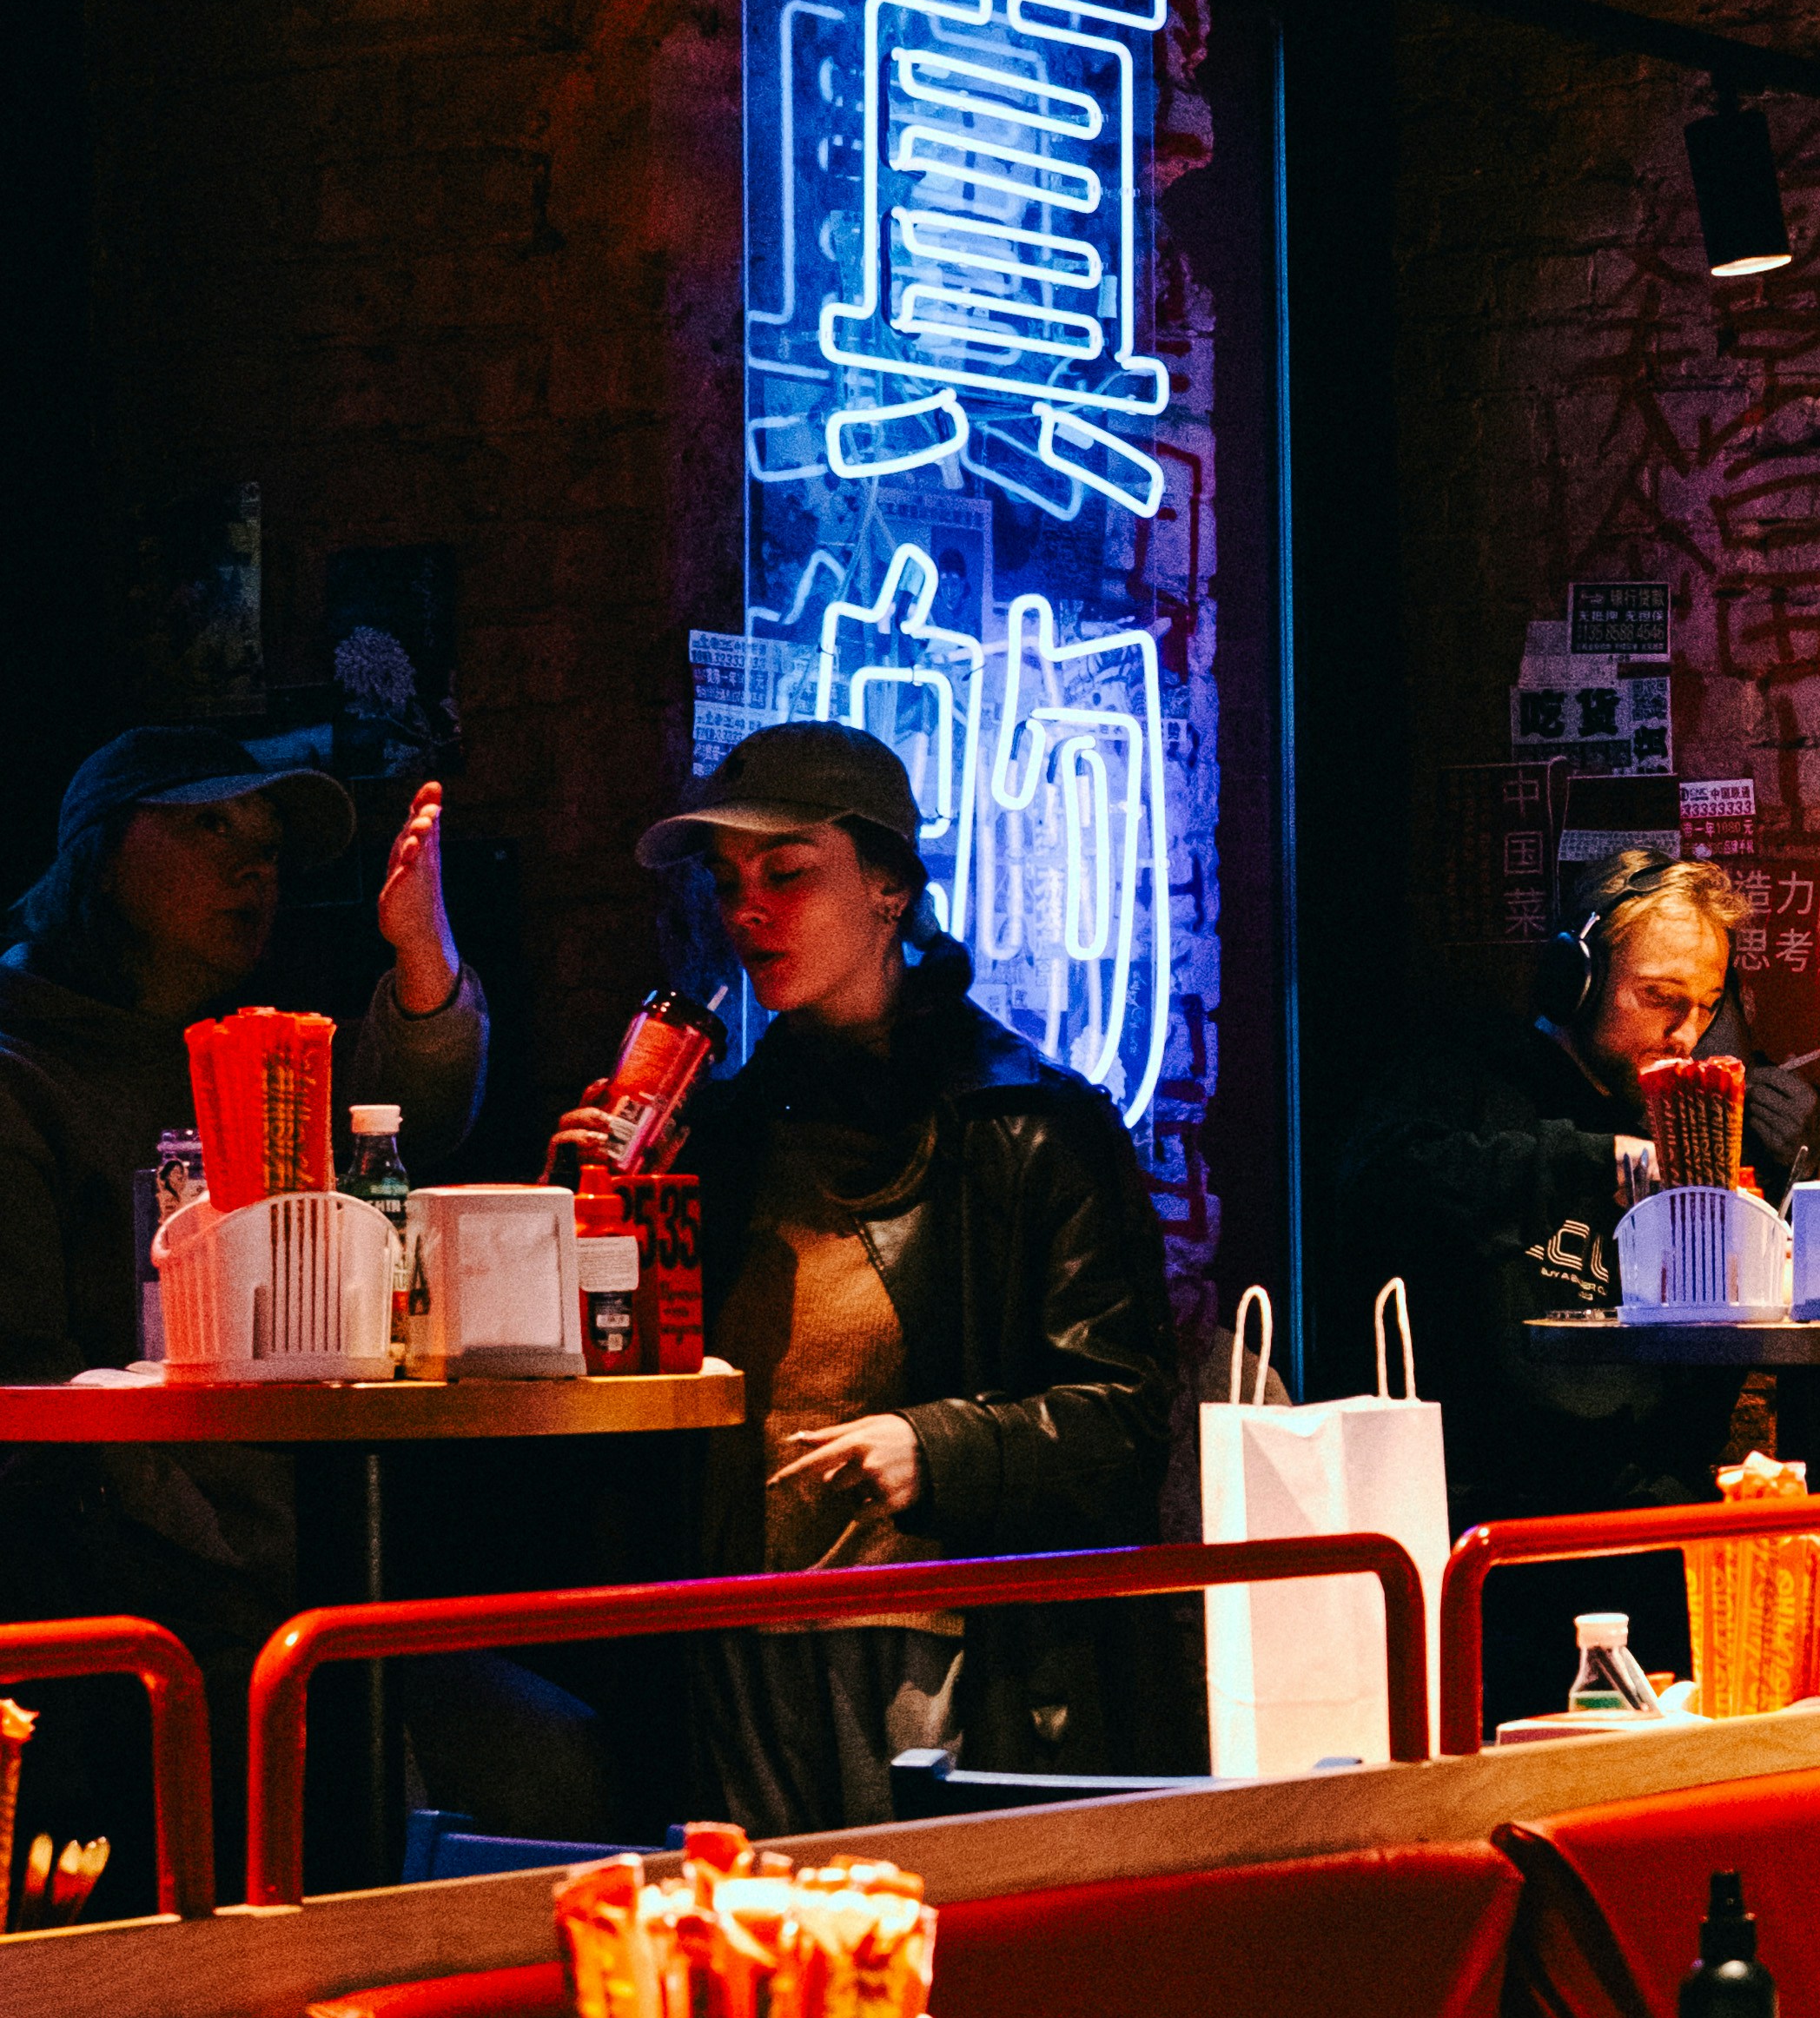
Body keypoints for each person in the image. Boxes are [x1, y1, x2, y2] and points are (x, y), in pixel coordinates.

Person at [566, 724, 1178, 1836]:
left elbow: (1125, 1416)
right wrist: (595, 1227)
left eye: (787, 871)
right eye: (727, 880)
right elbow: (633, 1401)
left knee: (925, 1960)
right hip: (738, 1626)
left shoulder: (1029, 1124)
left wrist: (937, 1444)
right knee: (764, 1970)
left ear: (891, 886)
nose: (747, 908)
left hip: (932, 1638)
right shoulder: (732, 1127)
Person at [0, 732, 480, 1789]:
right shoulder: (21, 1068)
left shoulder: (251, 1050)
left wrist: (421, 954)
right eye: (210, 825)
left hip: (294, 1585)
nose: (253, 865)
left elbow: (405, 1133)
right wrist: (198, 1535)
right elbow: (24, 1396)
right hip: (106, 1620)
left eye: (268, 844)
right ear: (96, 850)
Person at [1343, 848, 1785, 1717]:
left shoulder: (1676, 1117)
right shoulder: (1464, 1076)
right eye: (1659, 998)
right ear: (1573, 979)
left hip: (1648, 1506)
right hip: (1501, 1514)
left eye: (1704, 1007)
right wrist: (1598, 1165)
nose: (1684, 1034)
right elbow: (1380, 1179)